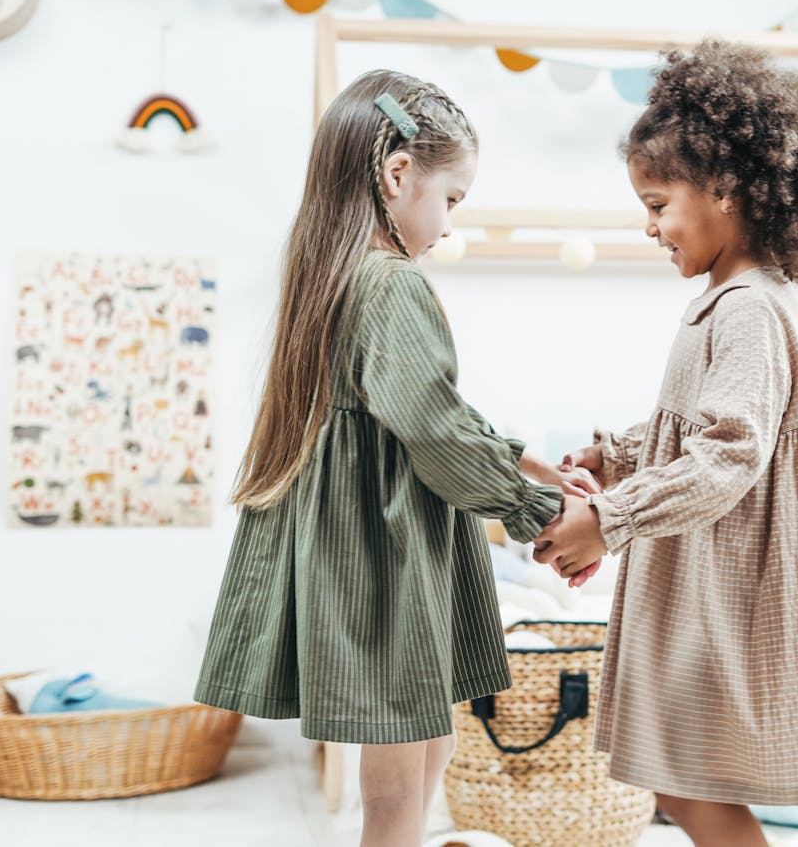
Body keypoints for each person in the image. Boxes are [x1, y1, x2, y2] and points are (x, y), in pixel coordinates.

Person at [193, 70, 596, 847]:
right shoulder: (391, 285)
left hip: (359, 545)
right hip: (388, 553)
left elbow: (417, 405)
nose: (447, 224)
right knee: (400, 777)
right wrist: (533, 509)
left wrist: (523, 459)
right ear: (397, 174)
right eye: (451, 199)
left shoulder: (331, 277)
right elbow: (433, 428)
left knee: (424, 744)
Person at [537, 40, 798, 846]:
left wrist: (610, 517)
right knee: (679, 764)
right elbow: (705, 427)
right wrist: (619, 454)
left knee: (683, 766)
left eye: (659, 203)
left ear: (727, 190)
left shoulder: (745, 307)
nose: (650, 226)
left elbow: (732, 453)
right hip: (717, 563)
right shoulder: (734, 298)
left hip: (742, 578)